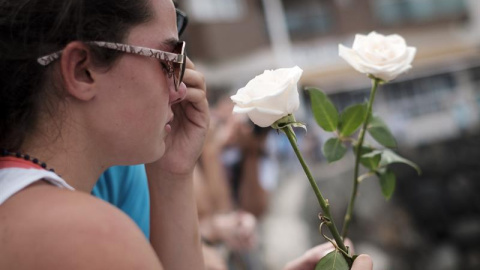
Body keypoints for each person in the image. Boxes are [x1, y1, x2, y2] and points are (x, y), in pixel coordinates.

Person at [0, 0, 372, 269]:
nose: (185, 88)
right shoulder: (85, 236)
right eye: (168, 60)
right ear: (83, 70)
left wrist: (173, 171)